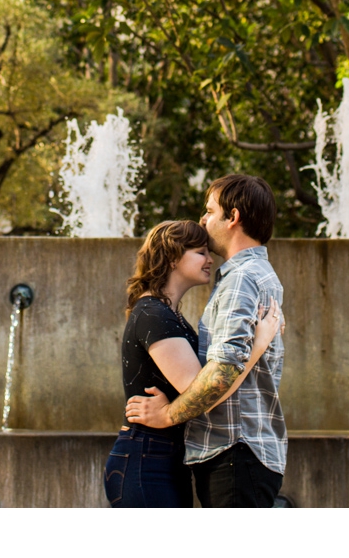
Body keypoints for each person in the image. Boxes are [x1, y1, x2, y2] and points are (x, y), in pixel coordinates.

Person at [127, 174, 287, 508]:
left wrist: (168, 414)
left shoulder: (241, 279)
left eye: (210, 211)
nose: (203, 219)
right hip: (241, 450)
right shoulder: (253, 275)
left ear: (233, 218)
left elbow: (220, 375)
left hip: (234, 448)